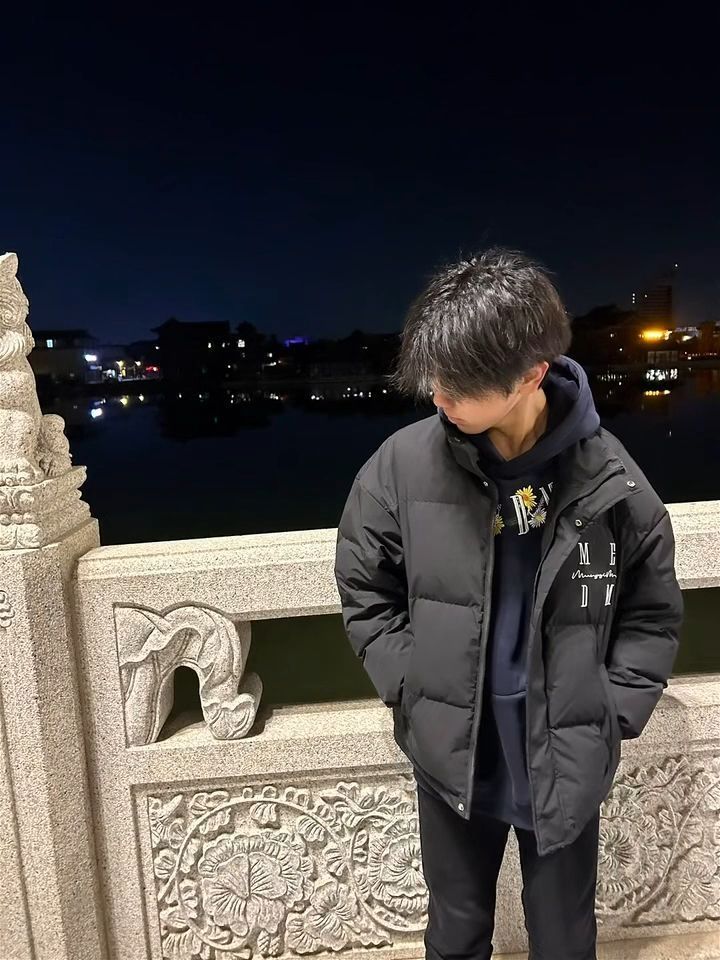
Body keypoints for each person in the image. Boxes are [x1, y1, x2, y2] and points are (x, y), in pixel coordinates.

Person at [333, 248, 683, 960]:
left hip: (565, 749)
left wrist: (612, 710)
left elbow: (652, 607)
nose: (438, 397)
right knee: (456, 928)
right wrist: (411, 682)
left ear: (528, 376)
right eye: (433, 378)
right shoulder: (401, 465)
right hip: (453, 748)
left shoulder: (609, 476)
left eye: (455, 386)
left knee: (564, 935)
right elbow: (363, 585)